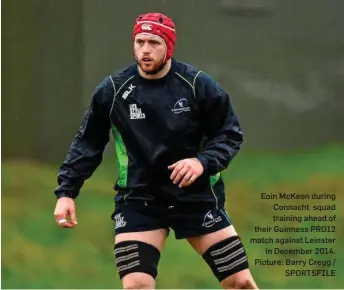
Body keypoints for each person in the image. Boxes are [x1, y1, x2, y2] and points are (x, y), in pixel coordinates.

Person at [53, 12, 258, 290]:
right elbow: (87, 143)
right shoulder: (113, 90)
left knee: (241, 283)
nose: (145, 50)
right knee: (136, 286)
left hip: (195, 198)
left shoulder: (198, 85)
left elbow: (230, 134)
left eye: (154, 42)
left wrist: (202, 162)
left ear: (169, 46)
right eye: (139, 42)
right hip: (140, 199)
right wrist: (67, 192)